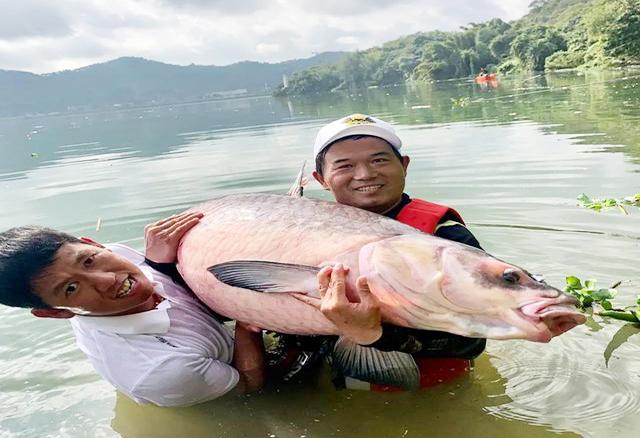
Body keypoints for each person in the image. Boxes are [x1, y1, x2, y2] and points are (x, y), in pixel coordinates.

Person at [0, 213, 266, 407]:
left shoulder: (125, 256)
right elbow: (246, 386)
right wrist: (248, 322)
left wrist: (161, 266)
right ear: (55, 313)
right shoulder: (163, 371)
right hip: (214, 388)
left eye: (89, 260)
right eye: (71, 288)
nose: (107, 280)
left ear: (95, 244)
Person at [307, 113, 486, 371]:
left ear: (404, 165)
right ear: (321, 179)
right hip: (322, 393)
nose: (365, 174)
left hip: (429, 398)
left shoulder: (444, 237)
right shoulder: (305, 231)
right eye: (344, 166)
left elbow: (475, 339)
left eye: (379, 160)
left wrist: (376, 335)